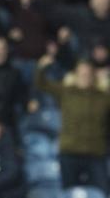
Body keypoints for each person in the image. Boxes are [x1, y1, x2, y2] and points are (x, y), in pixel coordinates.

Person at [35, 54, 110, 194]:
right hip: (70, 153)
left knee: (104, 192)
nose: (85, 77)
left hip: (96, 154)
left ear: (94, 75)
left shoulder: (104, 97)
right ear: (75, 75)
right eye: (81, 74)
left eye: (88, 74)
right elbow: (41, 84)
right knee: (68, 193)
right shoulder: (66, 91)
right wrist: (42, 67)